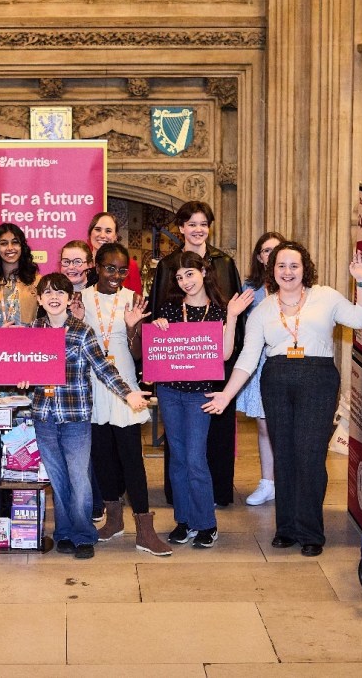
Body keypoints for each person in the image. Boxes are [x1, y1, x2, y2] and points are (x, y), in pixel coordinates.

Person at [203, 242, 362, 557]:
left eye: (294, 265)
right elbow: (248, 358)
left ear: (304, 267)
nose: (288, 272)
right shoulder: (263, 309)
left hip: (318, 378)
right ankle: (286, 528)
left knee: (309, 455)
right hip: (276, 378)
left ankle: (311, 531)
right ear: (272, 270)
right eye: (281, 266)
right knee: (284, 455)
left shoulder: (326, 297)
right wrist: (227, 394)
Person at [18, 273, 149, 559]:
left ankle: (84, 534)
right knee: (58, 478)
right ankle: (64, 532)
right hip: (44, 417)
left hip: (76, 417)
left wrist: (129, 393)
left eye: (60, 292)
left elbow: (103, 368)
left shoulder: (82, 331)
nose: (54, 297)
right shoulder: (31, 331)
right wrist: (22, 378)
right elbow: (21, 370)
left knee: (79, 478)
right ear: (39, 299)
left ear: (69, 299)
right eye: (48, 293)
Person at [152, 251, 252, 548]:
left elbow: (224, 355)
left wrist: (232, 317)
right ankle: (183, 521)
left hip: (200, 394)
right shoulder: (170, 309)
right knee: (178, 459)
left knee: (196, 459)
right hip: (170, 391)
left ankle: (206, 523)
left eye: (190, 274)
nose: (185, 281)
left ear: (204, 273)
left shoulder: (221, 310)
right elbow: (159, 348)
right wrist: (158, 328)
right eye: (179, 277)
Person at [75, 243, 170, 556]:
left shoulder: (133, 299)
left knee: (132, 458)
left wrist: (132, 328)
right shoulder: (82, 299)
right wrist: (74, 320)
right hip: (93, 383)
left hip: (124, 386)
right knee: (102, 456)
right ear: (96, 267)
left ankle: (145, 528)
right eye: (109, 268)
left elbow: (139, 353)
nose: (115, 275)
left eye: (121, 270)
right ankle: (113, 519)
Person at [148, 201, 244, 507]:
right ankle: (181, 500)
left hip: (216, 362)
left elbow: (234, 314)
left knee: (216, 434)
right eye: (191, 224)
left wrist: (231, 353)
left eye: (203, 224)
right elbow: (156, 313)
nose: (197, 230)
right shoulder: (168, 265)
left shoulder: (225, 262)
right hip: (175, 368)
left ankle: (216, 495)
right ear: (181, 228)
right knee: (179, 443)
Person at [237, 232, 286, 506]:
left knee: (286, 427)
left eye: (277, 249)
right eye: (266, 250)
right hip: (260, 363)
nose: (271, 254)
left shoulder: (297, 285)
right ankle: (267, 482)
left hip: (291, 362)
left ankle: (287, 481)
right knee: (265, 427)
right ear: (259, 256)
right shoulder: (250, 288)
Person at [0, 224, 40, 326]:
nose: (10, 248)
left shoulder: (37, 281)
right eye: (4, 243)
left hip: (30, 340)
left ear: (22, 246)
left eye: (15, 242)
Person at [87, 212, 142, 294]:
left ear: (116, 236)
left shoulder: (130, 265)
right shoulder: (80, 264)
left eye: (108, 231)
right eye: (98, 229)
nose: (102, 235)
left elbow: (137, 301)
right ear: (90, 233)